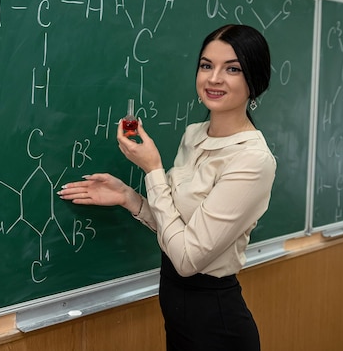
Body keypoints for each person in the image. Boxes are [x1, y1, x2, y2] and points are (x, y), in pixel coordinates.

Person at [58, 24, 276, 351]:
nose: (213, 78)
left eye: (232, 69)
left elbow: (188, 259)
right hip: (177, 313)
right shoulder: (194, 135)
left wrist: (153, 169)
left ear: (254, 80)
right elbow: (177, 229)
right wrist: (129, 198)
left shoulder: (252, 160)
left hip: (216, 324)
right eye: (206, 65)